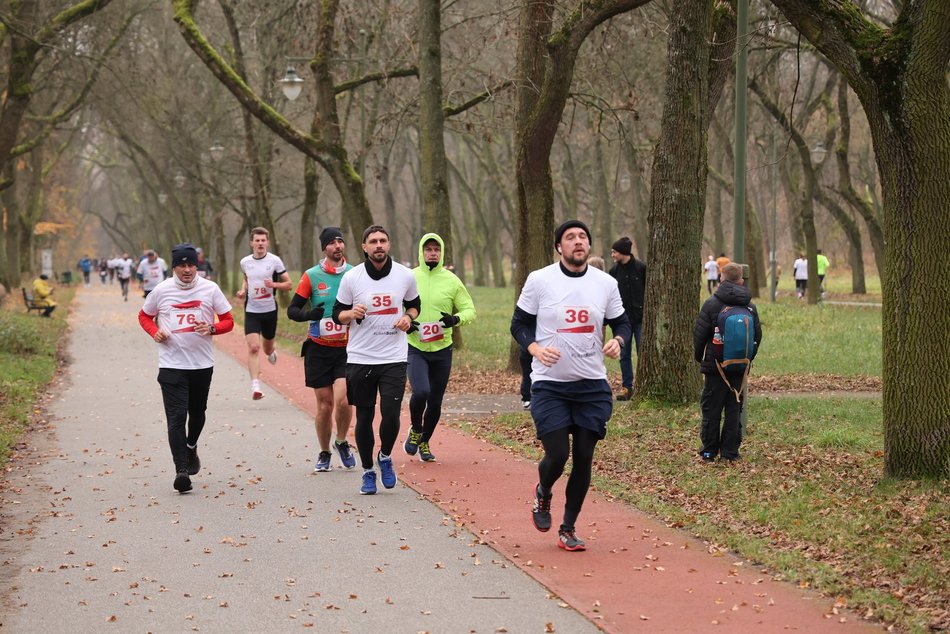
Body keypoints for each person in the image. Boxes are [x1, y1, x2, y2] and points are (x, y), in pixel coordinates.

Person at [511, 220, 631, 552]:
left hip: (591, 386)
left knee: (583, 457)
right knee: (558, 454)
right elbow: (519, 324)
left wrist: (619, 340)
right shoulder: (539, 280)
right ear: (558, 247)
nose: (578, 241)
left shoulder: (605, 283)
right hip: (550, 384)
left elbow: (621, 322)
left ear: (588, 245)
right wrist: (534, 348)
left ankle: (568, 527)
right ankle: (544, 491)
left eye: (582, 237)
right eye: (570, 237)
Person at [137, 243, 234, 493]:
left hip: (202, 364)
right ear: (174, 268)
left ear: (197, 266)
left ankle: (191, 447)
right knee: (176, 417)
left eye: (191, 265)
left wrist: (212, 328)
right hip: (171, 364)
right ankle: (181, 471)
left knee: (197, 413)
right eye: (182, 265)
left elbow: (228, 321)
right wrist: (155, 332)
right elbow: (144, 316)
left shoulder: (210, 289)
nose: (187, 270)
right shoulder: (161, 290)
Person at [332, 225, 420, 496]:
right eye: (373, 241)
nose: (379, 245)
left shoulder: (405, 275)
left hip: (394, 356)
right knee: (365, 416)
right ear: (364, 247)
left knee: (391, 414)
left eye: (383, 240)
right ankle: (368, 470)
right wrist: (350, 314)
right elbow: (337, 313)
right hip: (361, 357)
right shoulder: (352, 277)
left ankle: (385, 456)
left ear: (389, 244)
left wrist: (409, 317)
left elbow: (415, 304)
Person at [286, 227, 357, 472]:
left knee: (344, 400)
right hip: (318, 349)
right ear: (324, 248)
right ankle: (325, 451)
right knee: (325, 406)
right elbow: (292, 310)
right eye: (332, 243)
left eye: (340, 241)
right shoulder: (312, 276)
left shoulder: (354, 273)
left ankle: (342, 441)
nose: (337, 246)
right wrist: (309, 315)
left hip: (347, 349)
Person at [404, 233, 476, 463]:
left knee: (435, 401)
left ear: (441, 253)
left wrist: (455, 320)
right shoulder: (410, 277)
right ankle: (416, 429)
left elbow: (470, 310)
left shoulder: (452, 280)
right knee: (421, 392)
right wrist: (406, 322)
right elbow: (396, 306)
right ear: (421, 252)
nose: (433, 253)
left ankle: (425, 441)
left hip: (442, 349)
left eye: (436, 249)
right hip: (416, 346)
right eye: (429, 249)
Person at [693, 262, 762, 463]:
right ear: (741, 280)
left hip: (715, 367)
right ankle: (730, 453)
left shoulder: (711, 304)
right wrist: (747, 359)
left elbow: (699, 336)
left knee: (711, 410)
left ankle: (709, 452)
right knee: (734, 410)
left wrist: (701, 358)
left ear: (721, 278)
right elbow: (757, 336)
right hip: (739, 368)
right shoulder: (750, 306)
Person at [236, 227, 292, 400]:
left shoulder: (275, 261)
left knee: (267, 349)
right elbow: (246, 279)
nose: (260, 243)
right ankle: (256, 386)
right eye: (257, 240)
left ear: (267, 242)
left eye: (263, 240)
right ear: (251, 243)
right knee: (254, 347)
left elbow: (289, 284)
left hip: (269, 311)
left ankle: (271, 352)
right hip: (252, 310)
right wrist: (243, 290)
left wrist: (274, 285)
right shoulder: (245, 262)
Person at [608, 236, 646, 401]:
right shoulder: (613, 272)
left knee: (643, 351)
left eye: (614, 252)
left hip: (641, 319)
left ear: (623, 252)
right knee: (624, 354)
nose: (612, 255)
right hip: (622, 321)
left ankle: (643, 385)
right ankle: (627, 387)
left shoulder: (641, 268)